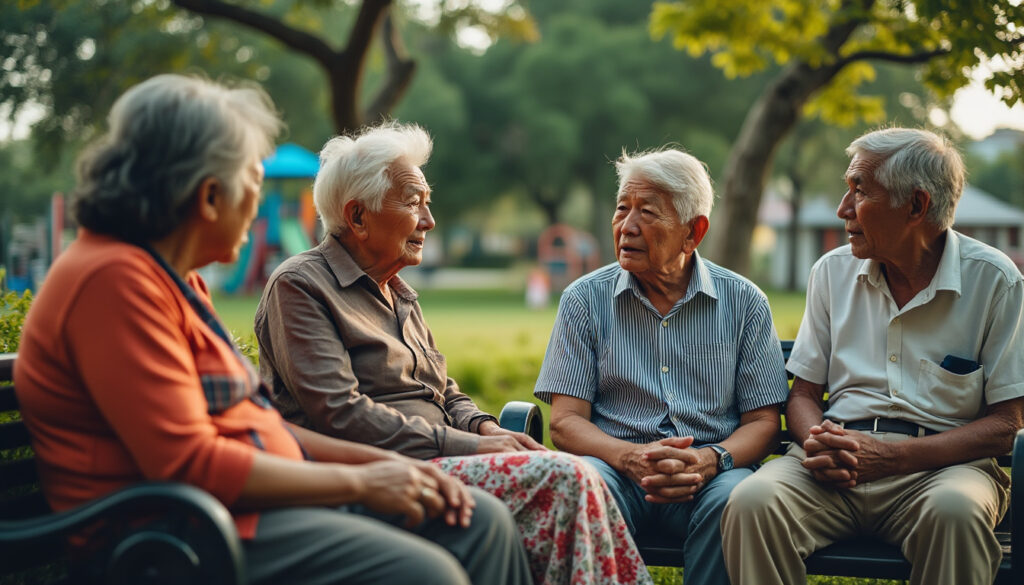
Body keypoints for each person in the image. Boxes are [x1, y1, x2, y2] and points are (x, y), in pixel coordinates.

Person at [13, 74, 532, 585]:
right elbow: (189, 462)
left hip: (247, 509)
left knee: (482, 523)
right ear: (210, 196)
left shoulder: (176, 279)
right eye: (253, 183)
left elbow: (258, 427)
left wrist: (388, 469)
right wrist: (361, 481)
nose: (257, 204)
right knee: (427, 572)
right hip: (182, 535)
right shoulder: (114, 281)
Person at [255, 121, 651, 585]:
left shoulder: (398, 292)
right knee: (565, 478)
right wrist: (475, 445)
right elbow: (340, 414)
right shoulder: (300, 286)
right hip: (383, 472)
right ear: (358, 217)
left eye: (428, 203)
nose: (429, 220)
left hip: (446, 458)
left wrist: (486, 427)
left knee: (574, 470)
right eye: (412, 203)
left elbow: (446, 393)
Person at [721, 127, 1024, 585]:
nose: (843, 209)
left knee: (957, 513)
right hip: (833, 464)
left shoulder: (995, 281)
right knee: (752, 503)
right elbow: (803, 393)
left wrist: (894, 459)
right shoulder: (831, 271)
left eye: (859, 191)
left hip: (942, 471)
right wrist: (818, 440)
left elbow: (1006, 425)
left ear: (916, 206)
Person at [532, 147, 790, 585]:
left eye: (647, 212)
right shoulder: (583, 300)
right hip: (614, 467)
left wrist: (710, 460)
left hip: (709, 474)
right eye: (621, 208)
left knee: (735, 499)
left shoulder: (745, 302)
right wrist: (629, 457)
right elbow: (566, 422)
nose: (626, 226)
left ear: (694, 232)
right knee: (584, 486)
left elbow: (763, 421)